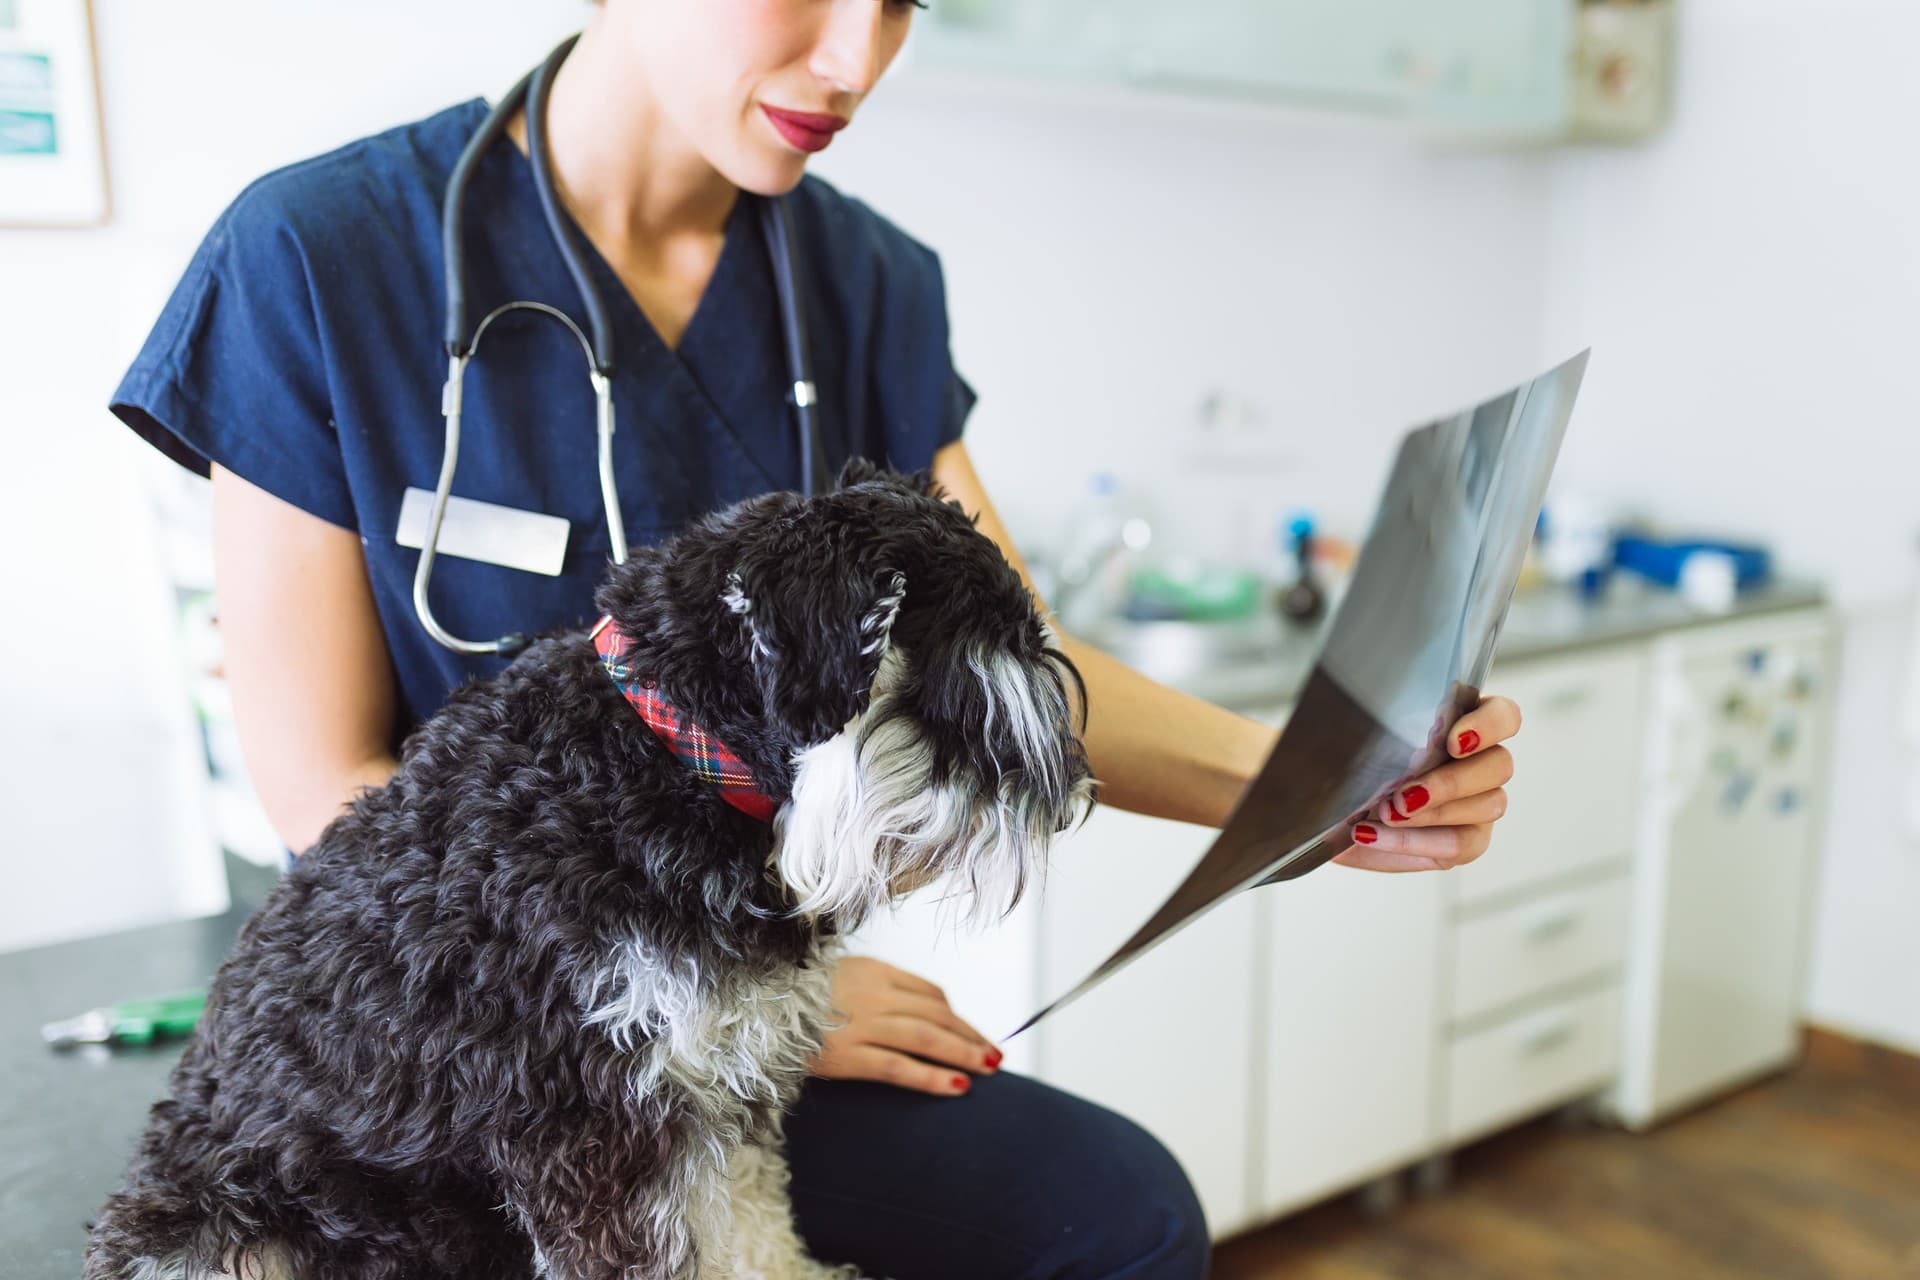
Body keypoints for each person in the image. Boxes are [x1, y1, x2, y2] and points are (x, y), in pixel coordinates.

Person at [109, 2, 1523, 1275]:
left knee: (1120, 1214)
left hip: (734, 1016)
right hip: (432, 1047)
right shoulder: (319, 252)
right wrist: (720, 989)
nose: (857, 60)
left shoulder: (864, 279)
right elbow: (319, 781)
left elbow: (1009, 659)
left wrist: (1319, 779)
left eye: (902, 1)